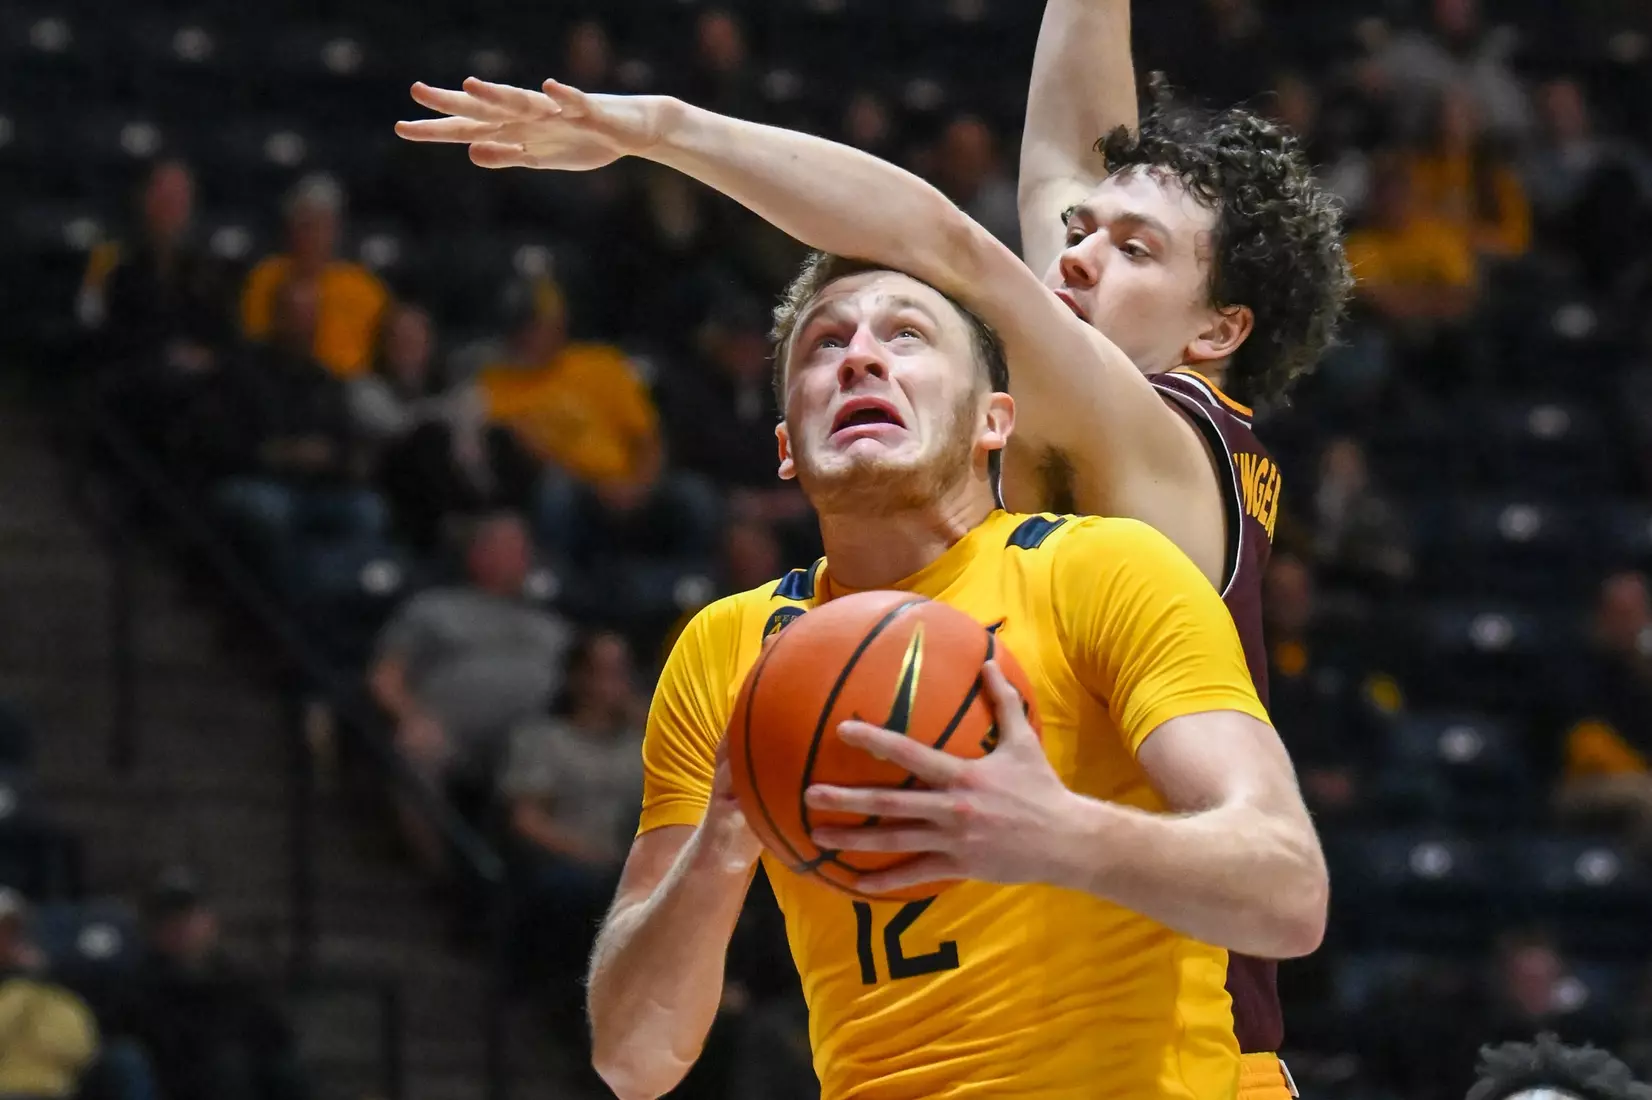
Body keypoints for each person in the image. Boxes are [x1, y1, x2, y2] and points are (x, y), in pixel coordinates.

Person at [395, 3, 1349, 1084]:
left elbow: (945, 244)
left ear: (1216, 331)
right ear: (780, 444)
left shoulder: (1159, 450)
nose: (1074, 259)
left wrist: (658, 129)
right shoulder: (752, 634)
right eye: (1079, 234)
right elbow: (1058, 159)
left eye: (1130, 249)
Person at [576, 257, 1325, 1097]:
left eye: (906, 334)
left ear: (993, 421)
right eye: (826, 345)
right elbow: (632, 1062)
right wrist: (717, 846)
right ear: (787, 446)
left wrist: (1057, 834)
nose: (860, 357)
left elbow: (1287, 888)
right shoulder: (729, 647)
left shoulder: (1099, 570)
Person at [240, 173, 389, 378]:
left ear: (336, 230)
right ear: (290, 228)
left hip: (350, 386)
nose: (314, 236)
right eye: (306, 225)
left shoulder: (365, 287)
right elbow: (255, 341)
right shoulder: (266, 276)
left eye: (322, 226)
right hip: (283, 378)